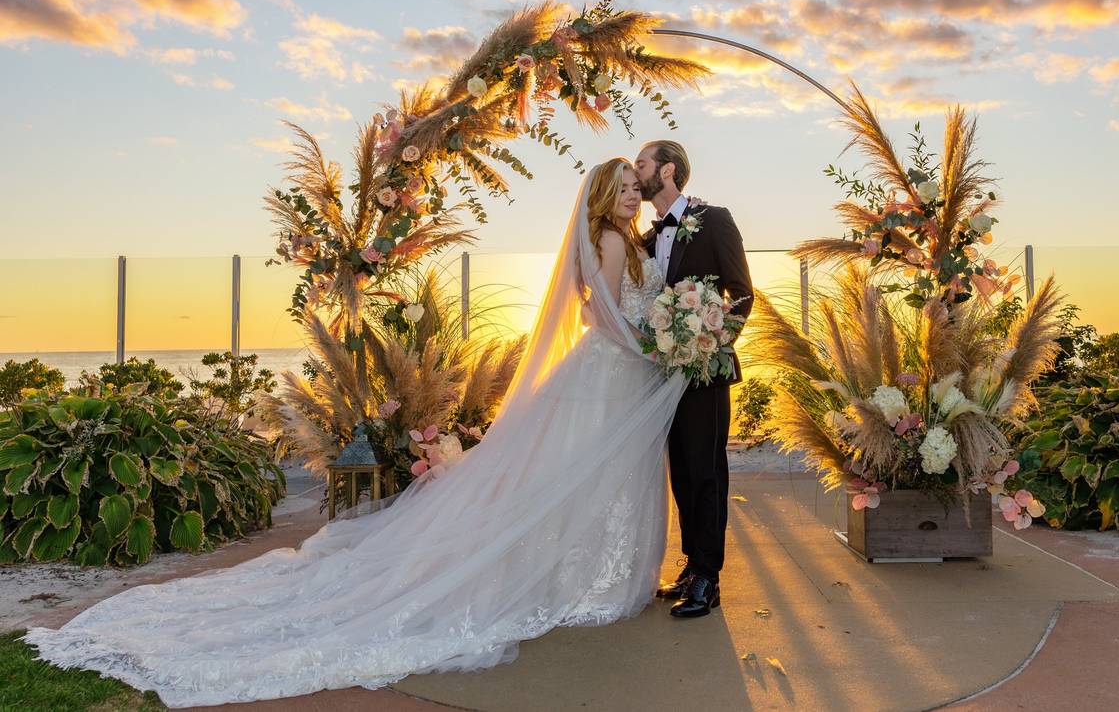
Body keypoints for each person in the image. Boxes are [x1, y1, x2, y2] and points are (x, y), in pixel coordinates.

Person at [27, 158, 692, 707]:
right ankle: (576, 580)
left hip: (617, 376)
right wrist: (651, 349)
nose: (633, 192)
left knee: (586, 479)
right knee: (574, 478)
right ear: (606, 196)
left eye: (639, 185)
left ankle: (588, 576)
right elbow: (604, 315)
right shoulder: (607, 239)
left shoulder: (627, 240)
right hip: (609, 371)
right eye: (626, 186)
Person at [634, 139, 753, 619]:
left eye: (641, 163)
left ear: (666, 171)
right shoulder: (644, 240)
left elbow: (742, 295)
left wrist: (711, 343)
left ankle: (709, 576)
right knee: (681, 473)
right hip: (662, 376)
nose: (635, 170)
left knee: (706, 472)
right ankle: (691, 565)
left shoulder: (715, 219)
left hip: (706, 371)